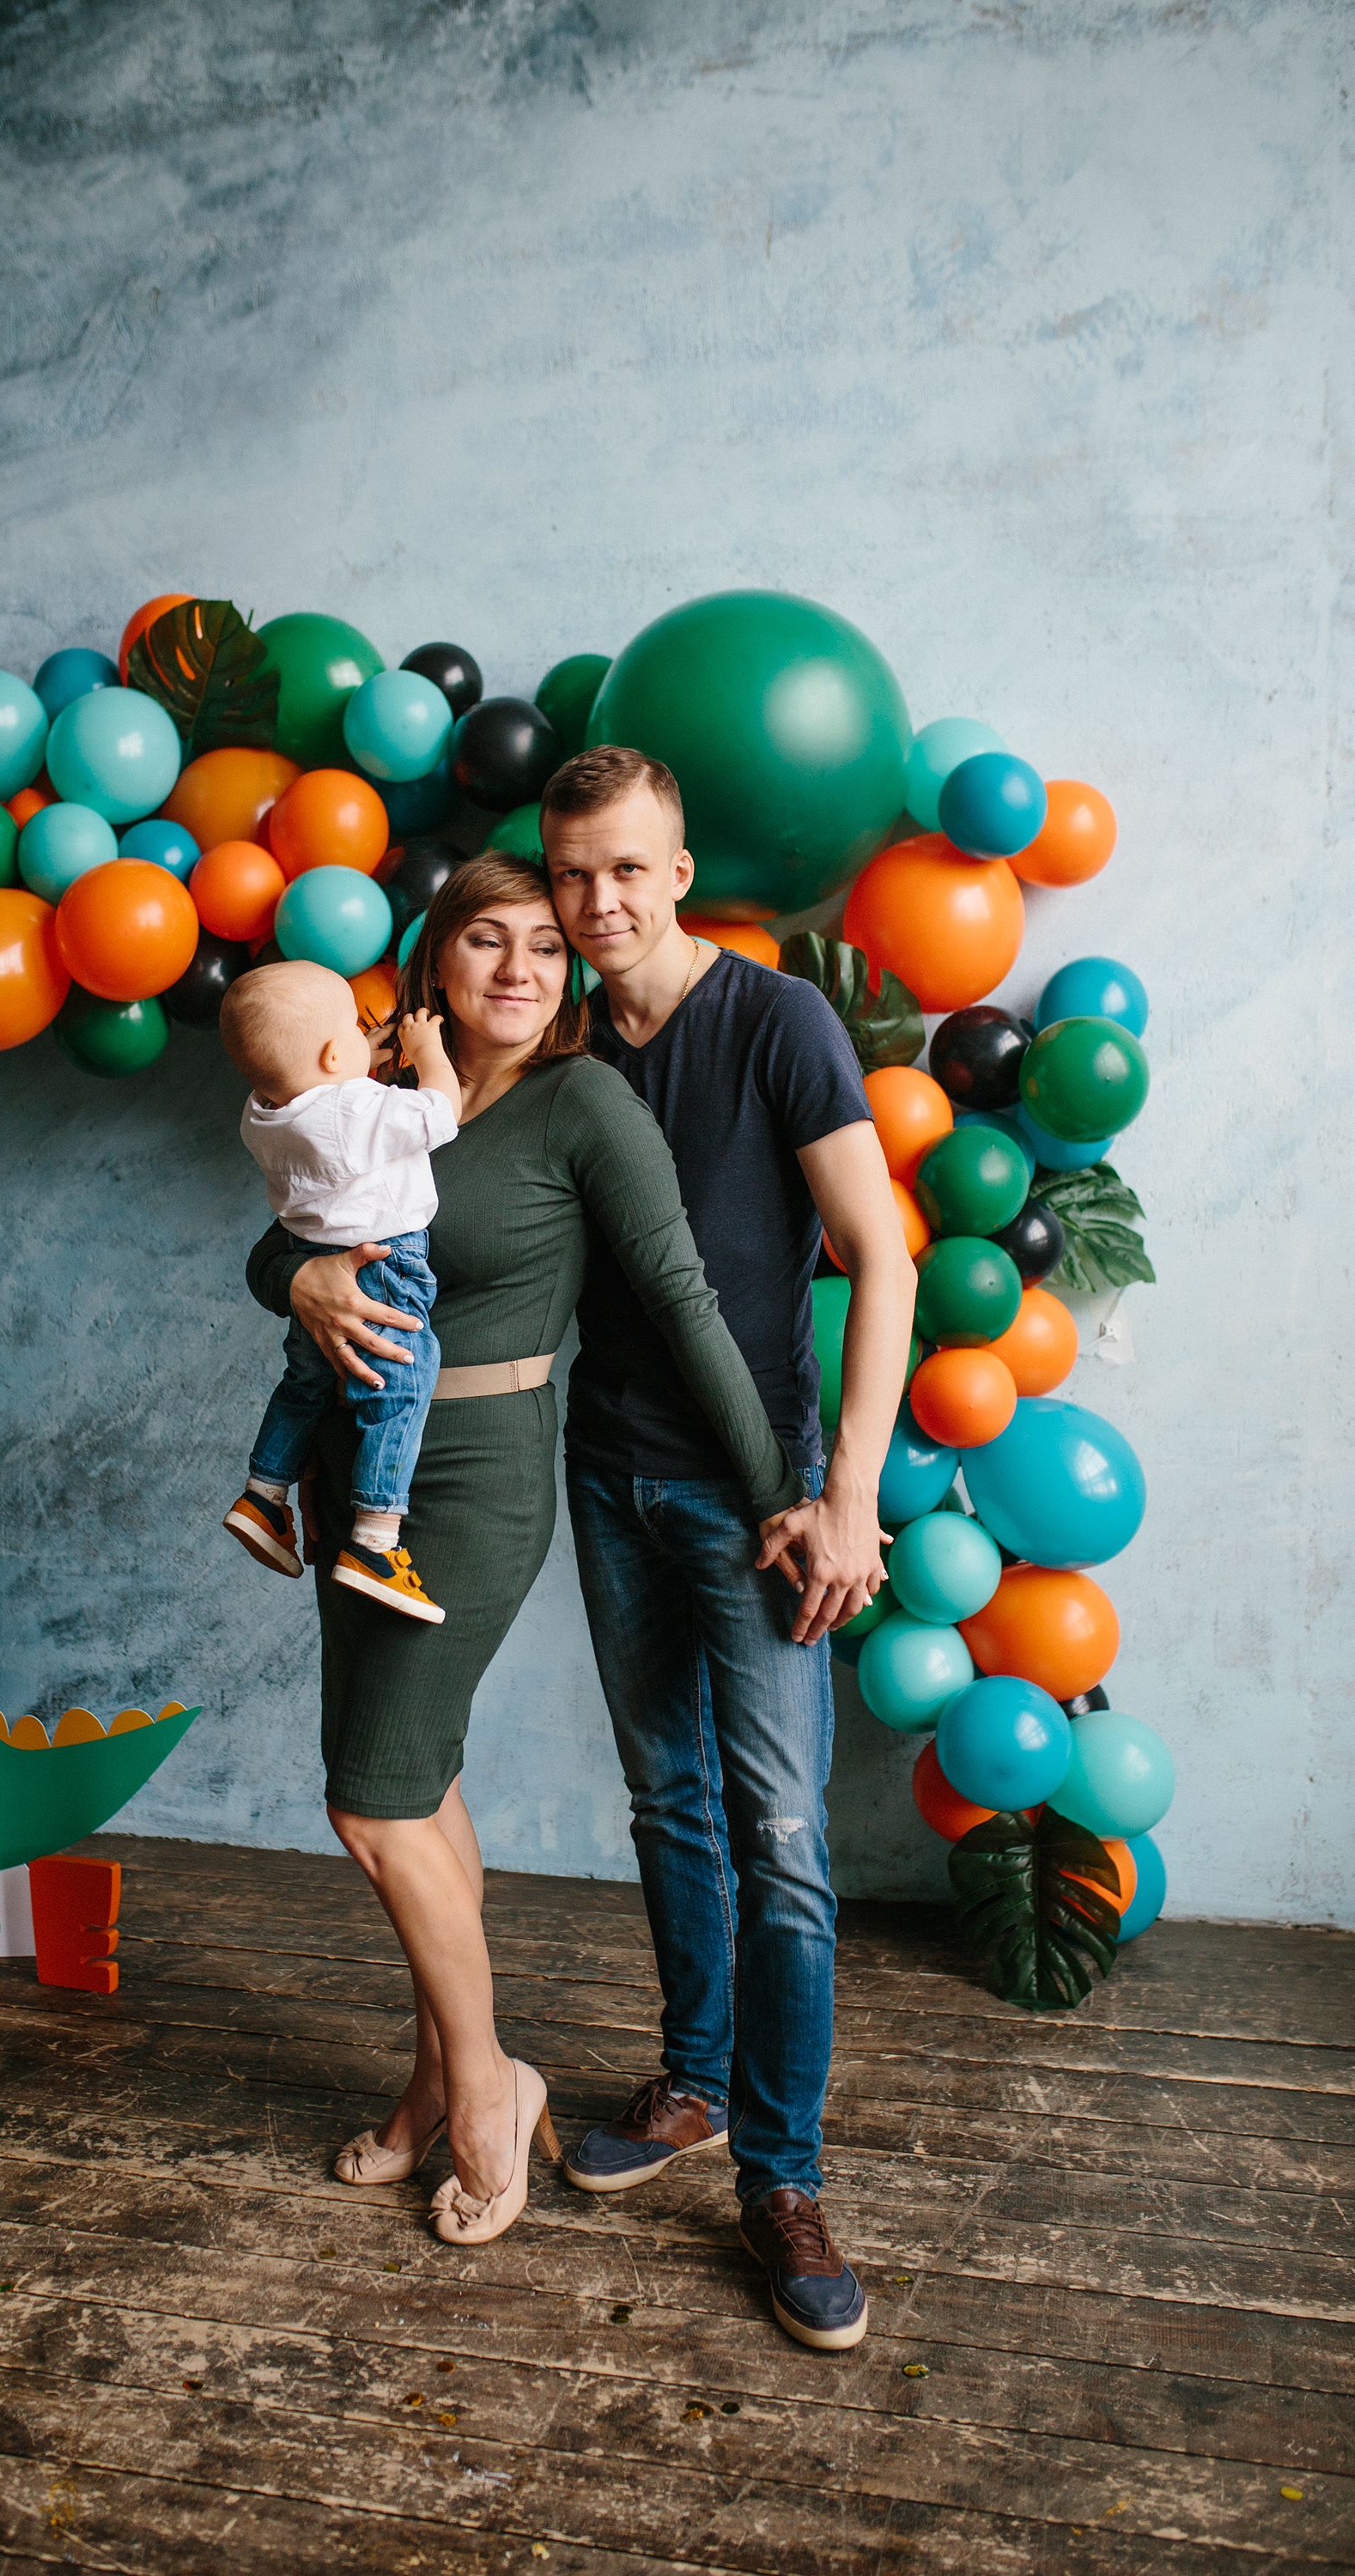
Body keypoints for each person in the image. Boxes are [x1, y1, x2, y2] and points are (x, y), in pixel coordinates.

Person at [244, 852, 799, 2250]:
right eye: (488, 939)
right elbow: (282, 1240)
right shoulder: (379, 1082)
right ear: (437, 957)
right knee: (417, 1785)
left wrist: (781, 1494)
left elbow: (681, 1299)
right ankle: (434, 2079)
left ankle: (491, 2089)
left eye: (547, 947)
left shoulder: (583, 1104)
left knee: (374, 1806)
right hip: (354, 1475)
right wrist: (302, 1278)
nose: (520, 969)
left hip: (476, 1484)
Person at [539, 743, 918, 2355]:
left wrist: (848, 1496)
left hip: (759, 1500)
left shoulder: (777, 1021)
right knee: (668, 1801)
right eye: (574, 873)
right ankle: (692, 2081)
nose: (600, 900)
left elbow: (883, 1257)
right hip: (608, 1480)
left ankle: (784, 2176)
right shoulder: (557, 1042)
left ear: (679, 873)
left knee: (783, 1838)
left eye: (628, 867)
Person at [220, 959, 459, 1623]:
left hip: (312, 1258)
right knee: (401, 1384)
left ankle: (264, 1493)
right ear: (333, 1054)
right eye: (356, 1028)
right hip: (384, 1263)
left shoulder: (263, 1113)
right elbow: (441, 1112)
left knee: (305, 1383)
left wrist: (358, 1058)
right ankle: (376, 1540)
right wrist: (426, 1051)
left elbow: (325, 1094)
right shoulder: (358, 1110)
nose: (366, 1037)